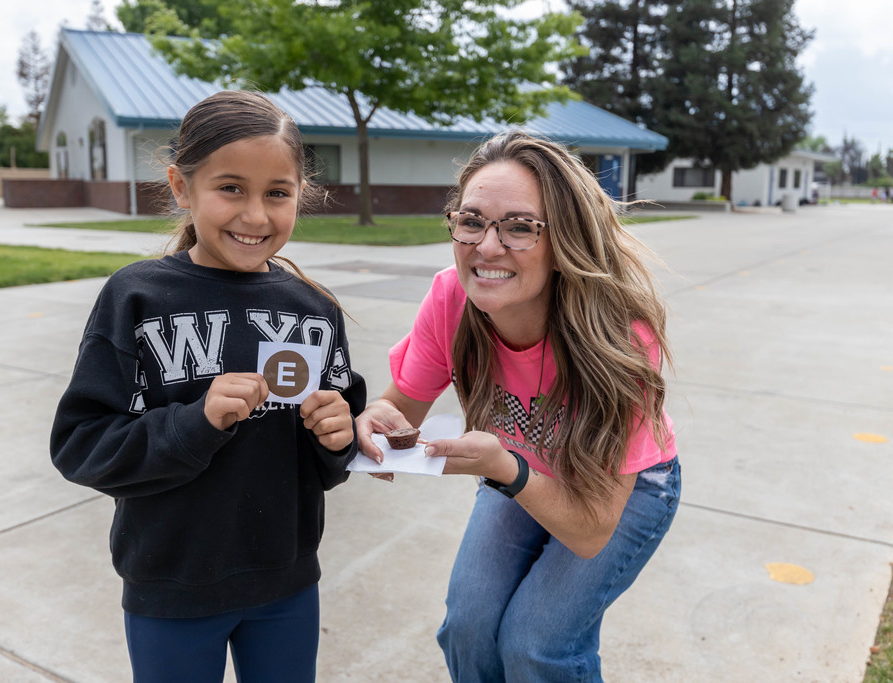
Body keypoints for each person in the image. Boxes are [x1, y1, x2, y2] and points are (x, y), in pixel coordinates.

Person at [50, 90, 365, 683]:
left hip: (287, 583)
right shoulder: (136, 298)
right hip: (171, 585)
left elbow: (334, 458)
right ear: (181, 186)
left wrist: (337, 436)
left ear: (301, 194)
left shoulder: (314, 310)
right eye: (230, 188)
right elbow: (81, 444)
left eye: (278, 193)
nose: (255, 216)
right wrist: (195, 423)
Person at [356, 130, 681, 682]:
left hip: (622, 488)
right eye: (472, 220)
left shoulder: (619, 336)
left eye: (520, 227)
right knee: (467, 628)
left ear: (564, 242)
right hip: (514, 467)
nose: (487, 246)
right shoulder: (450, 298)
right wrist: (372, 421)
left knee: (536, 646)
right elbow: (400, 410)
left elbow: (589, 531)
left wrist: (503, 467)